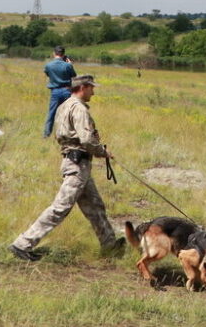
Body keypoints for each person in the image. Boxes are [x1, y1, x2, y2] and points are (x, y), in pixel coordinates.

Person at [10, 75, 124, 261]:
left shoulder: (64, 106)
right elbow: (86, 139)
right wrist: (102, 151)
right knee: (60, 207)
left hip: (77, 163)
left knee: (95, 206)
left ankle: (110, 245)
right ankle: (22, 244)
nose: (93, 92)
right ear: (83, 87)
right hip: (77, 164)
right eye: (91, 88)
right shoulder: (78, 108)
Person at [42, 46, 76, 138]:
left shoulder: (48, 65)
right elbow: (73, 75)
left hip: (55, 91)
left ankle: (46, 134)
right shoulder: (67, 65)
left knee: (51, 113)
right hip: (66, 90)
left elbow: (47, 74)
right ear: (63, 54)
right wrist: (70, 64)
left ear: (54, 53)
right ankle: (66, 134)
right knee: (67, 114)